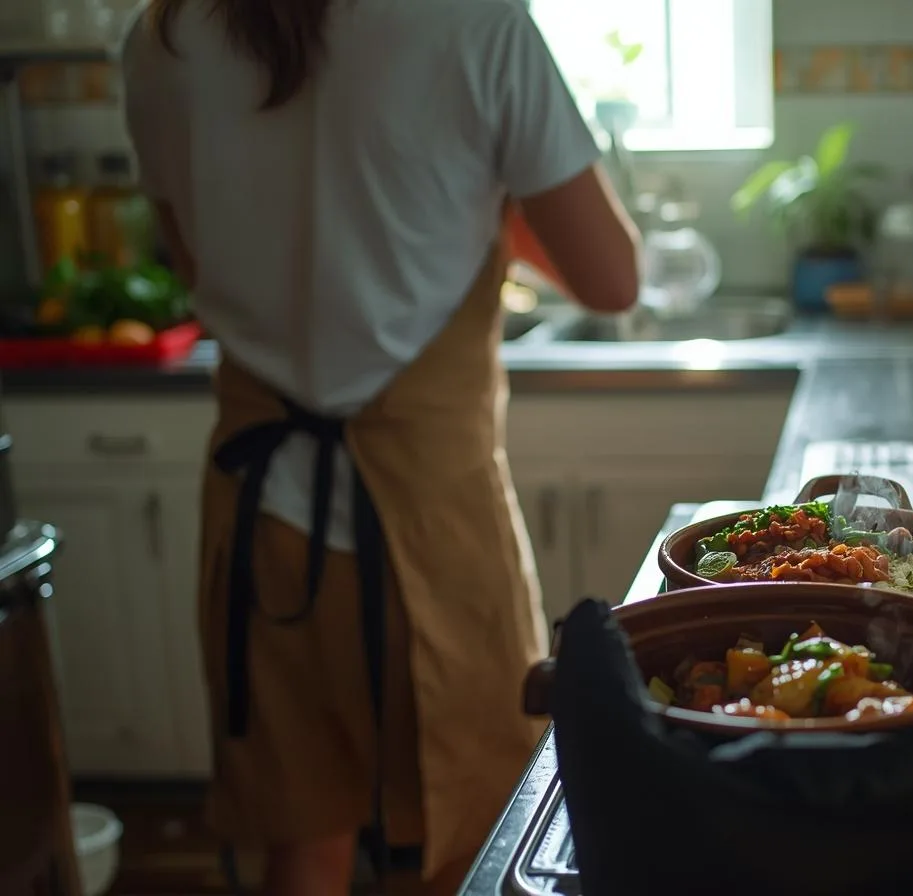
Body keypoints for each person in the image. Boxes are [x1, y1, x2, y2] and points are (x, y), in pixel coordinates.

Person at [120, 0, 640, 892]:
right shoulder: (474, 24)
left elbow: (193, 260)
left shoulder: (162, 37)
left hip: (264, 520)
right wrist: (493, 198)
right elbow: (610, 278)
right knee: (475, 836)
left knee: (305, 840)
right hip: (431, 526)